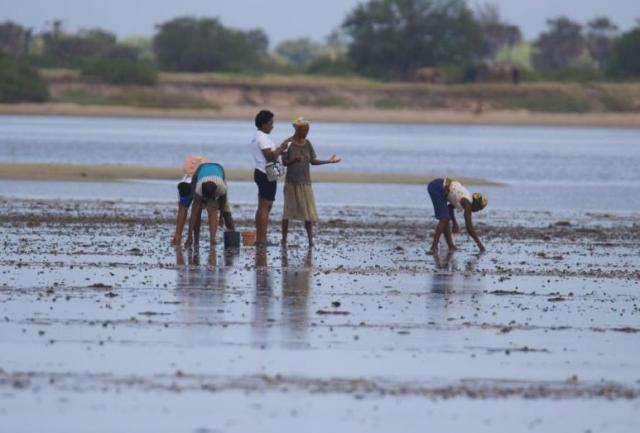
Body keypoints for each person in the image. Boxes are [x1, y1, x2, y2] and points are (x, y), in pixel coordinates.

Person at [281, 117, 340, 246]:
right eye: (304, 130)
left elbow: (313, 161)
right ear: (297, 129)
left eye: (307, 130)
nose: (306, 132)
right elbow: (283, 162)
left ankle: (310, 241)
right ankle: (284, 239)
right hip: (291, 182)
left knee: (308, 213)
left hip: (305, 183)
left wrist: (328, 161)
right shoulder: (287, 143)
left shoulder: (308, 143)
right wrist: (293, 160)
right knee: (287, 212)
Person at [251, 110, 291, 247]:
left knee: (265, 206)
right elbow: (270, 156)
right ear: (264, 123)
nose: (273, 126)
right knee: (265, 206)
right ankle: (262, 240)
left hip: (269, 171)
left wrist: (282, 149)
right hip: (265, 172)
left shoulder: (262, 137)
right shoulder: (261, 137)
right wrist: (281, 148)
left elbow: (275, 156)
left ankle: (260, 238)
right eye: (271, 123)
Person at [427, 177, 487, 253]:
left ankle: (450, 245)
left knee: (446, 218)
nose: (477, 211)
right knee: (444, 219)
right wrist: (479, 244)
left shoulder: (466, 200)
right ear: (476, 204)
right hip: (437, 187)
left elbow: (449, 208)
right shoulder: (467, 204)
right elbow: (469, 227)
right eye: (479, 208)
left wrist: (454, 222)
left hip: (439, 186)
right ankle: (433, 247)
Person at [184, 162, 235, 248]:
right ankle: (195, 240)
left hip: (219, 169)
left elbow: (223, 202)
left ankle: (214, 239)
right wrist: (189, 236)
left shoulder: (221, 188)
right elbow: (193, 215)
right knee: (197, 209)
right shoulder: (199, 188)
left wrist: (221, 217)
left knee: (224, 211)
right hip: (200, 170)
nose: (206, 202)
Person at [171, 155, 208, 246]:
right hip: (198, 185)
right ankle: (194, 239)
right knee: (196, 214)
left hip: (185, 185)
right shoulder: (204, 164)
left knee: (182, 211)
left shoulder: (185, 175)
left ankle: (178, 236)